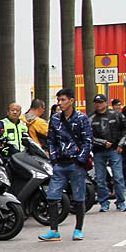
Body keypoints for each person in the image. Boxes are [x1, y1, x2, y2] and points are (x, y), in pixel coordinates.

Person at [39, 88, 93, 241]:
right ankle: (54, 230)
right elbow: (51, 141)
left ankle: (78, 230)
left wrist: (80, 160)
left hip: (76, 164)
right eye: (59, 100)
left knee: (79, 197)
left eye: (63, 100)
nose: (60, 103)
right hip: (60, 165)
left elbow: (87, 141)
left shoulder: (82, 118)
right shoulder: (55, 119)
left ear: (71, 101)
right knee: (52, 197)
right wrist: (54, 160)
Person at [89, 94, 126, 212]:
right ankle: (103, 202)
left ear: (106, 103)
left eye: (100, 102)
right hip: (98, 151)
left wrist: (121, 144)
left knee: (118, 177)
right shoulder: (90, 118)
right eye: (96, 102)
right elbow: (88, 136)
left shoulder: (116, 115)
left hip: (114, 150)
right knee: (100, 179)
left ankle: (120, 201)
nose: (98, 104)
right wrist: (102, 143)